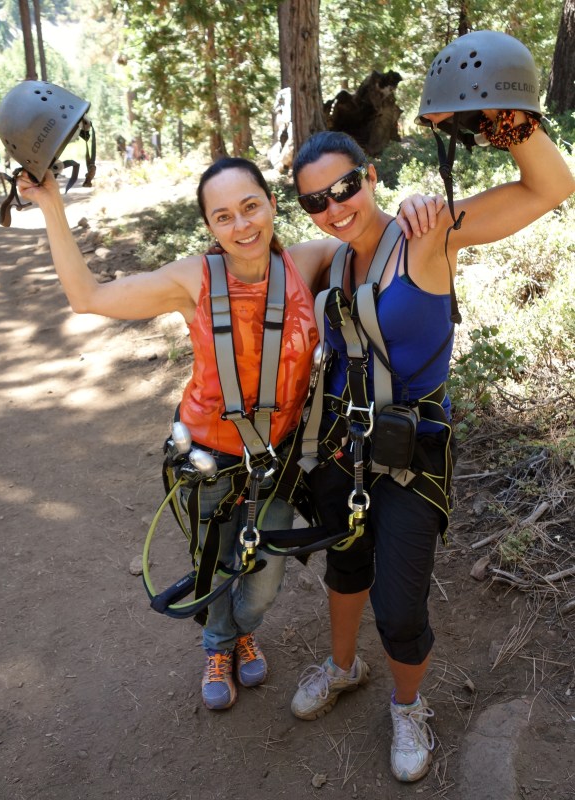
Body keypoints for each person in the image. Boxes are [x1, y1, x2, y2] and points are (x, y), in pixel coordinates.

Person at [16, 155, 438, 712]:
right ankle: (220, 644)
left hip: (279, 460)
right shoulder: (193, 278)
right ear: (210, 227)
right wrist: (51, 206)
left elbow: (366, 235)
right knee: (215, 563)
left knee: (263, 580)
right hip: (207, 457)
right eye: (223, 217)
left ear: (271, 204)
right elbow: (87, 298)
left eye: (250, 207)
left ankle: (243, 626)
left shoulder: (308, 262)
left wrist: (411, 208)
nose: (242, 226)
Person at [288, 30, 575, 783]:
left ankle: (406, 707)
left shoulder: (429, 233)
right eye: (314, 200)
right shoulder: (326, 256)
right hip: (345, 445)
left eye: (345, 188)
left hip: (412, 452)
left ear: (371, 176)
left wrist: (501, 119)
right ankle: (343, 666)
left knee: (401, 599)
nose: (334, 207)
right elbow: (244, 266)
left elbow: (550, 188)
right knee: (344, 570)